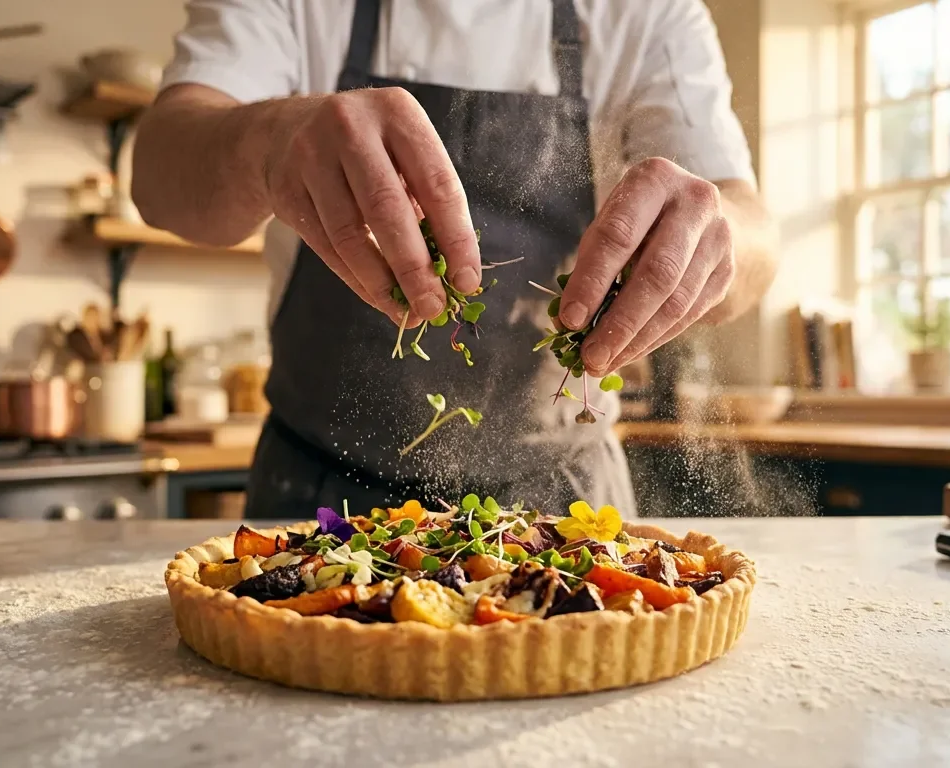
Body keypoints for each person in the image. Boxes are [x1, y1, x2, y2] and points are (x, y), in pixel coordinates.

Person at [133, 0, 777, 519]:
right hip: (316, 496)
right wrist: (269, 141)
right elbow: (159, 174)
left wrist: (719, 234)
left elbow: (751, 236)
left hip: (564, 505)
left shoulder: (647, 10)